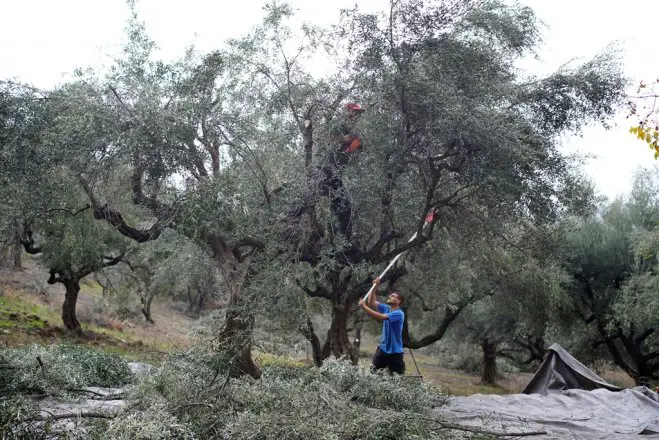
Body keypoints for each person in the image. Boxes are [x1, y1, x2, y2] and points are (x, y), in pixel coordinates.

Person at [358, 277, 406, 375]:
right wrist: (375, 286)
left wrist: (364, 307)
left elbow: (380, 317)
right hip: (383, 350)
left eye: (392, 296)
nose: (389, 296)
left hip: (395, 353)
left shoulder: (399, 314)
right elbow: (372, 302)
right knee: (373, 374)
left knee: (396, 380)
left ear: (398, 301)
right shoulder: (387, 308)